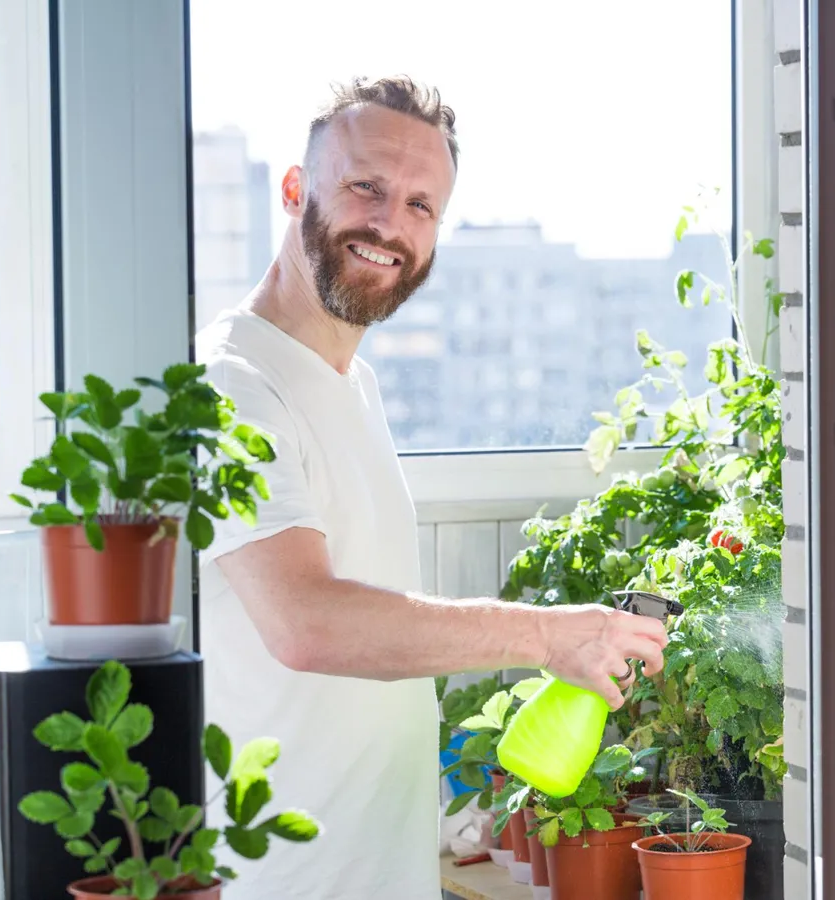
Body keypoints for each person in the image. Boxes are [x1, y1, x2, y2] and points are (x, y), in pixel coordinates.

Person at [194, 76, 669, 900]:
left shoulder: (357, 387)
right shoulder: (227, 386)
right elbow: (305, 623)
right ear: (295, 190)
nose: (390, 225)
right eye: (366, 187)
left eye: (422, 205)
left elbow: (369, 641)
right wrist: (547, 635)